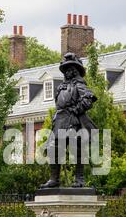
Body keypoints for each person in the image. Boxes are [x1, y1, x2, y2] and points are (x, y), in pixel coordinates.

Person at [41, 52, 97, 189]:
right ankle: (54, 179)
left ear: (75, 70)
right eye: (65, 69)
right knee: (53, 148)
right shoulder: (61, 87)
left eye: (69, 69)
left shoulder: (79, 84)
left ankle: (79, 179)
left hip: (73, 120)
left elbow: (88, 99)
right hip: (59, 120)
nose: (67, 72)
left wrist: (76, 109)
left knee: (77, 149)